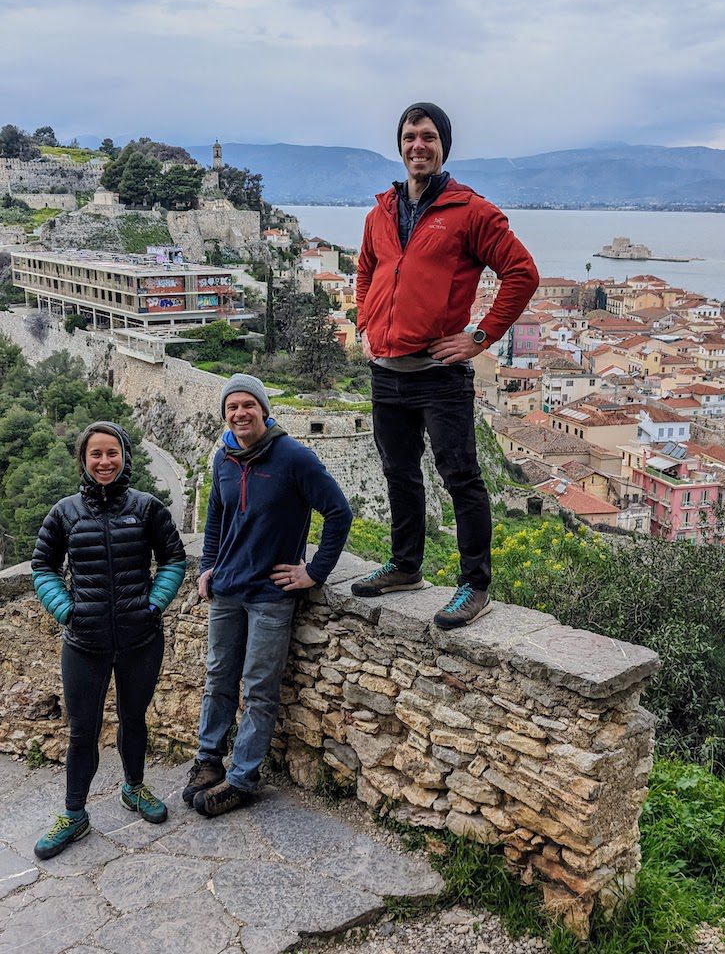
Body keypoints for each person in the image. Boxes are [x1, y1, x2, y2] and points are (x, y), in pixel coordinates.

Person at [352, 101, 539, 628]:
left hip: (439, 376)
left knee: (461, 478)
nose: (419, 145)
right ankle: (405, 566)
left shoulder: (471, 212)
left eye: (429, 136)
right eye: (410, 136)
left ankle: (474, 585)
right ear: (400, 144)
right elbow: (366, 267)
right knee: (398, 473)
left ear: (443, 146)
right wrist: (367, 321)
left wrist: (479, 337)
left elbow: (521, 273)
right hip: (387, 371)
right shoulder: (381, 212)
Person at [185, 374, 352, 817]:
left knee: (259, 687)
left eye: (247, 405)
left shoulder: (294, 457)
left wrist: (314, 572)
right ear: (225, 414)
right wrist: (207, 567)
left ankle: (241, 779)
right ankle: (207, 762)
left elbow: (339, 513)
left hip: (270, 596)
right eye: (232, 407)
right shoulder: (224, 457)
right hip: (226, 591)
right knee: (218, 678)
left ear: (263, 409)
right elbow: (215, 520)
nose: (240, 413)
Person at [31, 422, 186, 859]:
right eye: (95, 454)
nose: (104, 462)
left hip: (141, 638)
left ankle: (134, 788)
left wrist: (155, 603)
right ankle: (74, 815)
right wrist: (66, 610)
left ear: (125, 458)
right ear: (83, 460)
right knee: (83, 731)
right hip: (84, 642)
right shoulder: (64, 513)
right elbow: (43, 566)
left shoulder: (147, 507)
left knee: (134, 719)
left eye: (112, 453)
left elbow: (174, 557)